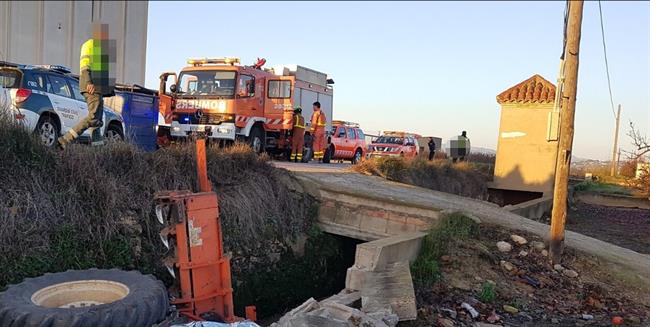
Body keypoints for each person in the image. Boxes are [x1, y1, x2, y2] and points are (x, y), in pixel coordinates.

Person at [58, 23, 113, 149]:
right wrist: (89, 83)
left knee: (97, 120)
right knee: (93, 117)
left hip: (98, 88)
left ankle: (97, 149)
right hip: (91, 87)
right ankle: (65, 140)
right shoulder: (89, 45)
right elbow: (85, 66)